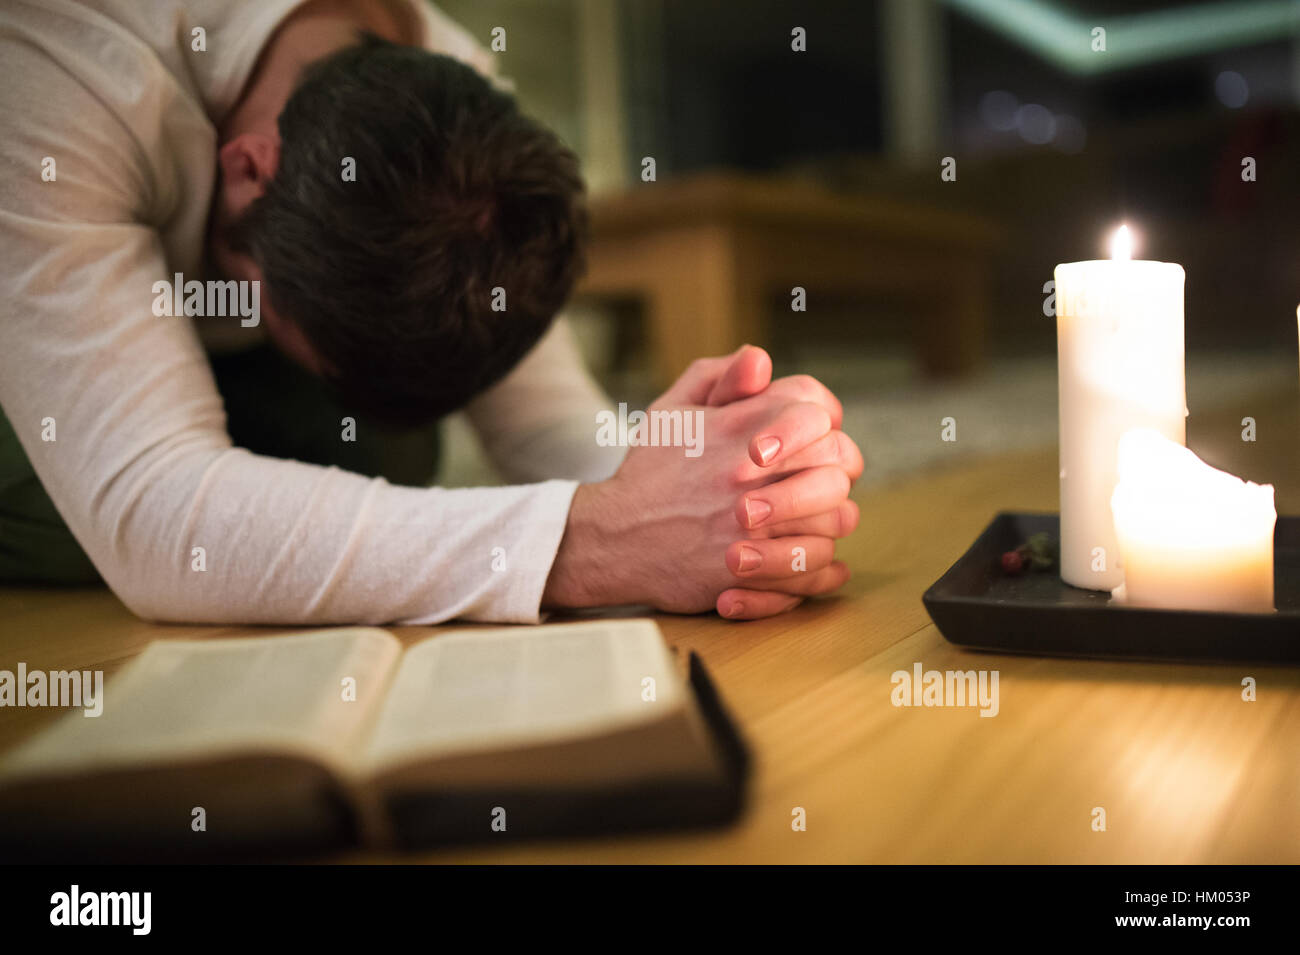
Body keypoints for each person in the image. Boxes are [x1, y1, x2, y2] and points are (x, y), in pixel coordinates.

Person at [0, 0, 862, 625]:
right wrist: (592, 543)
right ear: (248, 168)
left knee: (394, 448)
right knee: (121, 532)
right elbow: (153, 511)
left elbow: (548, 425)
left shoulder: (455, 105)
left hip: (257, 384)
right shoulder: (60, 72)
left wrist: (725, 482)